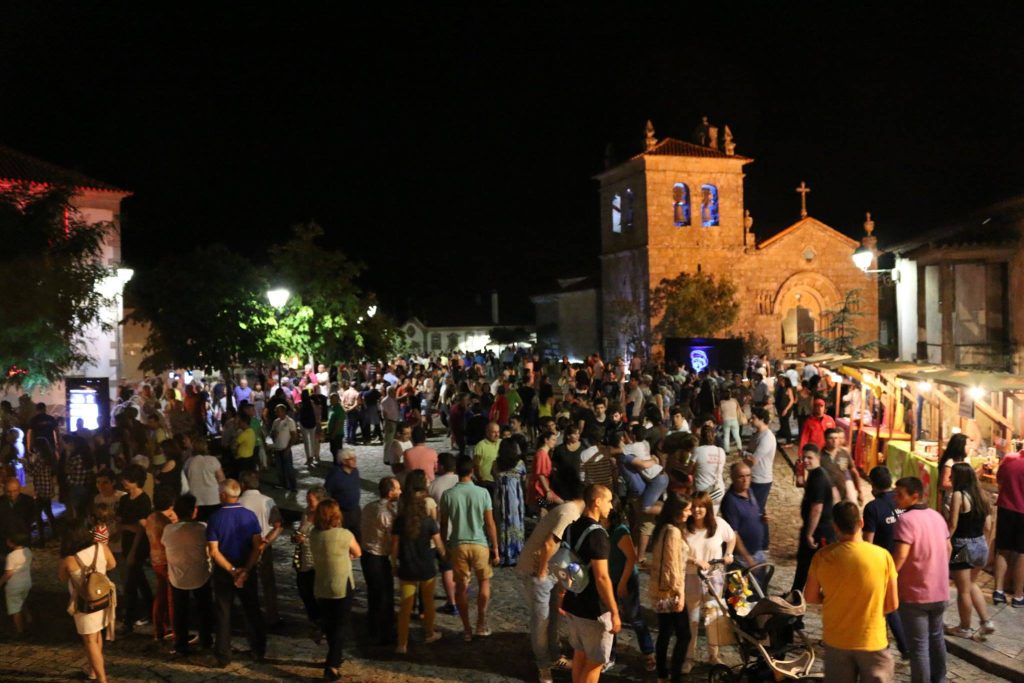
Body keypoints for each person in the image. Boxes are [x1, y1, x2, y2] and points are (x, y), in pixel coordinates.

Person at [804, 501, 898, 682]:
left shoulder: (822, 557)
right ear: (861, 523)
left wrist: (835, 598)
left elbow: (810, 596)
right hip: (871, 639)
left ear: (835, 527)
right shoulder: (883, 556)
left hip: (836, 640)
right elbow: (892, 604)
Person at [515, 469, 585, 683]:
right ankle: (543, 665)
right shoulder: (570, 512)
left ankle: (554, 656)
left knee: (553, 616)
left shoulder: (570, 510)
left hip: (551, 570)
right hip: (538, 569)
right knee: (542, 620)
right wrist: (543, 572)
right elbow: (549, 544)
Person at [560, 483, 621, 683]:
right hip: (593, 609)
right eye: (609, 501)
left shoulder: (570, 528)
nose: (611, 506)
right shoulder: (598, 534)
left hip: (573, 602)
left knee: (580, 654)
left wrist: (562, 594)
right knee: (595, 662)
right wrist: (614, 611)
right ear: (597, 502)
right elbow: (602, 577)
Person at [892, 477, 950, 683]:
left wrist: (887, 578)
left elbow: (900, 555)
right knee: (936, 639)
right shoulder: (937, 517)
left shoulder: (905, 521)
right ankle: (940, 679)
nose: (896, 499)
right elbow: (948, 549)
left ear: (914, 496)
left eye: (900, 495)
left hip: (916, 593)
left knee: (919, 646)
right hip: (940, 591)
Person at [206, 479, 266, 668]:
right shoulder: (249, 516)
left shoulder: (215, 518)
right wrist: (245, 570)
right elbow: (257, 547)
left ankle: (223, 654)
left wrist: (232, 571)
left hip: (225, 572)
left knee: (224, 612)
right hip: (246, 569)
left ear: (223, 495)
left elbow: (214, 551)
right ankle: (258, 649)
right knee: (252, 609)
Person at [440, 454, 499, 642]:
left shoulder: (448, 495)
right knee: (484, 582)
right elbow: (490, 524)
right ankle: (481, 622)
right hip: (479, 543)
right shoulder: (482, 493)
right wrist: (495, 548)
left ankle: (466, 629)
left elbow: (442, 525)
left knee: (461, 587)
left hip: (458, 544)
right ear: (472, 471)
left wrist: (444, 547)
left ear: (457, 471)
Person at [392, 470, 445, 653]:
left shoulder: (400, 521)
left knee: (406, 606)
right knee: (428, 602)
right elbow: (438, 544)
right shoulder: (429, 522)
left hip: (407, 565)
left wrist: (393, 564)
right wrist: (445, 557)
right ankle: (429, 633)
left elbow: (394, 547)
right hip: (426, 565)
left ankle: (402, 643)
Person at [310, 498, 362, 681]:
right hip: (341, 584)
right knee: (341, 625)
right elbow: (357, 552)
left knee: (331, 623)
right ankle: (332, 665)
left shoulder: (313, 534)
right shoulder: (344, 534)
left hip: (321, 585)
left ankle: (334, 656)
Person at [681, 491, 734, 670]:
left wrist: (728, 554)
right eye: (694, 506)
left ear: (708, 508)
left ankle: (714, 655)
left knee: (712, 616)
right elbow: (679, 552)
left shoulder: (718, 524)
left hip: (714, 576)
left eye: (701, 506)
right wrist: (695, 561)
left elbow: (732, 538)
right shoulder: (685, 528)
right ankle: (689, 657)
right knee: (692, 618)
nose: (697, 510)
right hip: (692, 576)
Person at [59, 522, 117, 683]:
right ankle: (93, 670)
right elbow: (112, 564)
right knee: (97, 634)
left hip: (84, 603)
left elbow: (62, 578)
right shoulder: (101, 548)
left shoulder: (69, 559)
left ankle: (101, 678)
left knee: (90, 640)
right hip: (103, 599)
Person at [861, 467, 908, 658]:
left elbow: (868, 542)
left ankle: (902, 646)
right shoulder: (901, 502)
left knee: (887, 606)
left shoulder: (873, 508)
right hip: (904, 558)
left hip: (883, 563)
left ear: (873, 484)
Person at [945, 463, 995, 638]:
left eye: (952, 475)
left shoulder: (958, 495)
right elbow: (988, 526)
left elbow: (953, 524)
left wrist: (946, 542)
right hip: (980, 545)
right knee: (972, 584)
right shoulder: (983, 496)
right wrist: (985, 546)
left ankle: (964, 628)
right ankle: (986, 621)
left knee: (963, 590)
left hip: (963, 546)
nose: (950, 478)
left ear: (960, 478)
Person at [607, 504, 656, 675]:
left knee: (634, 617)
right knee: (609, 617)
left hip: (626, 580)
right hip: (609, 580)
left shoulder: (620, 531)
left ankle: (648, 653)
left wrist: (622, 584)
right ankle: (609, 654)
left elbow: (631, 559)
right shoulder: (599, 530)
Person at [162, 493, 213, 656]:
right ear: (194, 511)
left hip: (177, 576)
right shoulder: (201, 528)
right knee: (204, 609)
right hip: (200, 574)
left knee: (180, 611)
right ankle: (206, 640)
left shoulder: (169, 530)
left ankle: (181, 643)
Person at [649, 493, 691, 683]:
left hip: (660, 591)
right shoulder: (673, 532)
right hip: (670, 591)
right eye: (687, 509)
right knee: (684, 635)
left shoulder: (663, 529)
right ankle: (673, 676)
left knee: (665, 633)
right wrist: (680, 594)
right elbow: (673, 566)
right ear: (678, 511)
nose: (690, 513)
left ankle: (662, 675)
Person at [238, 470, 283, 626]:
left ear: (242, 485)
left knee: (248, 583)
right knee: (268, 582)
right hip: (263, 546)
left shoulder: (238, 503)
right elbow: (278, 526)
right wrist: (266, 542)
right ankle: (272, 616)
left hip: (244, 547)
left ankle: (252, 615)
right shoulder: (268, 501)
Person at [361, 476, 400, 646]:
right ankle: (386, 634)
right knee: (385, 596)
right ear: (390, 492)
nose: (400, 491)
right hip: (379, 557)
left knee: (374, 595)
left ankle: (373, 628)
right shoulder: (388, 515)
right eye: (398, 488)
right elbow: (393, 541)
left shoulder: (369, 507)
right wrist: (394, 562)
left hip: (367, 555)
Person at [792, 444, 835, 593]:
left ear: (818, 458)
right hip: (818, 529)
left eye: (809, 457)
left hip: (819, 532)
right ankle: (796, 594)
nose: (806, 460)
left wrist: (809, 534)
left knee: (807, 566)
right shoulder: (816, 475)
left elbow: (817, 508)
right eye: (804, 457)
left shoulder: (819, 478)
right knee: (804, 566)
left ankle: (797, 596)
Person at [118, 464, 154, 633]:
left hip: (138, 545)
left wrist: (132, 551)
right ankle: (152, 608)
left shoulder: (144, 500)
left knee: (132, 581)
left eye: (127, 478)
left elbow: (141, 528)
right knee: (139, 579)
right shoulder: (124, 499)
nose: (124, 481)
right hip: (126, 542)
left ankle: (129, 619)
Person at [292, 485, 327, 642]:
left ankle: (322, 624)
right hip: (304, 561)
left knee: (318, 594)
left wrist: (304, 539)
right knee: (304, 591)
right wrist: (296, 536)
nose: (308, 503)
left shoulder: (326, 516)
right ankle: (315, 620)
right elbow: (302, 529)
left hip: (318, 561)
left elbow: (325, 539)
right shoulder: (306, 513)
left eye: (310, 501)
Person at [144, 486, 178, 641]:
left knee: (161, 594)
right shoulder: (166, 522)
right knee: (172, 598)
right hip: (168, 561)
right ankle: (177, 632)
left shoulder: (151, 517)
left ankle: (159, 630)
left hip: (156, 560)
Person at [992, 445, 1024, 606]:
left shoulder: (1009, 460)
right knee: (1020, 554)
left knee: (1003, 550)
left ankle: (998, 591)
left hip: (1006, 509)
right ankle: (1018, 596)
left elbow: (999, 480)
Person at [720, 462, 766, 570]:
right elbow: (733, 534)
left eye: (748, 476)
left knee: (761, 586)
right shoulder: (730, 501)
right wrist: (748, 560)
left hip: (758, 551)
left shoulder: (750, 491)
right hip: (742, 559)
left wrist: (761, 518)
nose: (746, 480)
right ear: (733, 478)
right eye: (741, 477)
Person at [743, 407, 775, 548]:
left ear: (762, 419)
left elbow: (753, 459)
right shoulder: (756, 435)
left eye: (754, 417)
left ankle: (762, 543)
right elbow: (749, 452)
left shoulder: (767, 438)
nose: (751, 420)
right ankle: (762, 541)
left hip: (762, 479)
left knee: (758, 510)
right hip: (753, 477)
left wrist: (743, 454)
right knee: (758, 509)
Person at [493, 439, 528, 566]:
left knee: (502, 523)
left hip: (501, 498)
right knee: (516, 523)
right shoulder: (520, 464)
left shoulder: (496, 464)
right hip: (516, 498)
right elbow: (524, 479)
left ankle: (504, 553)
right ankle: (516, 552)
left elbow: (494, 476)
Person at [325, 448, 362, 542]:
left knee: (359, 537)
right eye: (351, 458)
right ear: (343, 461)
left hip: (355, 511)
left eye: (355, 457)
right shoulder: (335, 474)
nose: (354, 460)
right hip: (342, 513)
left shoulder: (355, 471)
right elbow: (327, 492)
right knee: (342, 539)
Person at [1, 530, 32, 637]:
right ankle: (29, 619)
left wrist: (1, 582)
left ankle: (20, 631)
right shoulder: (27, 551)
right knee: (22, 600)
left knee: (15, 608)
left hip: (14, 585)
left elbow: (8, 573)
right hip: (26, 582)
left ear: (12, 543)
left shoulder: (11, 556)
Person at [184, 442, 224, 521]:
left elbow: (186, 478)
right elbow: (221, 479)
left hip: (196, 499)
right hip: (213, 498)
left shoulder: (188, 462)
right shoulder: (212, 460)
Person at [690, 424, 726, 510]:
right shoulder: (720, 451)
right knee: (713, 516)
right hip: (718, 491)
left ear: (701, 437)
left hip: (703, 493)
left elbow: (690, 470)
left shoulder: (697, 451)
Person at [822, 427, 862, 503]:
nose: (834, 441)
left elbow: (853, 472)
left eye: (836, 438)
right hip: (827, 495)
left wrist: (859, 491)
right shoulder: (820, 456)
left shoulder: (844, 453)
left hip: (843, 491)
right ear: (825, 439)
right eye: (831, 438)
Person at [528, 430, 562, 516]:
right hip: (540, 489)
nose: (555, 442)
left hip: (542, 488)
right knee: (544, 510)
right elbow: (541, 474)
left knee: (545, 509)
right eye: (553, 440)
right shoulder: (542, 454)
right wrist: (547, 491)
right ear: (546, 440)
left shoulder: (544, 453)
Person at [270, 404, 299, 494]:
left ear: (283, 411)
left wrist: (288, 448)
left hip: (285, 448)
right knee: (279, 469)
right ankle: (283, 484)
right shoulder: (275, 422)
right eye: (276, 411)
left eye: (278, 411)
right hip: (277, 448)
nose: (276, 413)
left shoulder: (290, 421)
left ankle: (293, 486)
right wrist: (273, 434)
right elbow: (272, 433)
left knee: (289, 468)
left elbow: (294, 435)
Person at [472, 421, 502, 494]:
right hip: (486, 482)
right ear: (487, 432)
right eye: (494, 432)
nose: (497, 434)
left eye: (498, 432)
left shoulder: (502, 443)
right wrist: (480, 480)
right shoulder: (480, 446)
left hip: (500, 481)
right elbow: (475, 465)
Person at [718, 389, 742, 453]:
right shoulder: (734, 401)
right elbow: (738, 409)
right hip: (734, 419)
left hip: (726, 420)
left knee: (726, 436)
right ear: (730, 394)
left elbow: (719, 413)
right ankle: (739, 448)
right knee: (736, 435)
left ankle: (727, 450)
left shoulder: (721, 402)